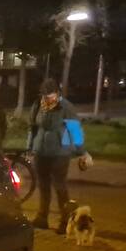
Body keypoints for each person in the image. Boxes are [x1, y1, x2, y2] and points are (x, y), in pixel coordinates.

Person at [28, 78, 89, 233]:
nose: (47, 98)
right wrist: (29, 147)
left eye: (50, 95)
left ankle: (65, 221)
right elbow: (32, 128)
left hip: (60, 152)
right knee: (43, 186)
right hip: (41, 151)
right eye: (45, 95)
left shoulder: (66, 107)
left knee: (60, 187)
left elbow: (75, 130)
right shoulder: (37, 106)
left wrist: (82, 152)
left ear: (57, 93)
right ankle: (42, 218)